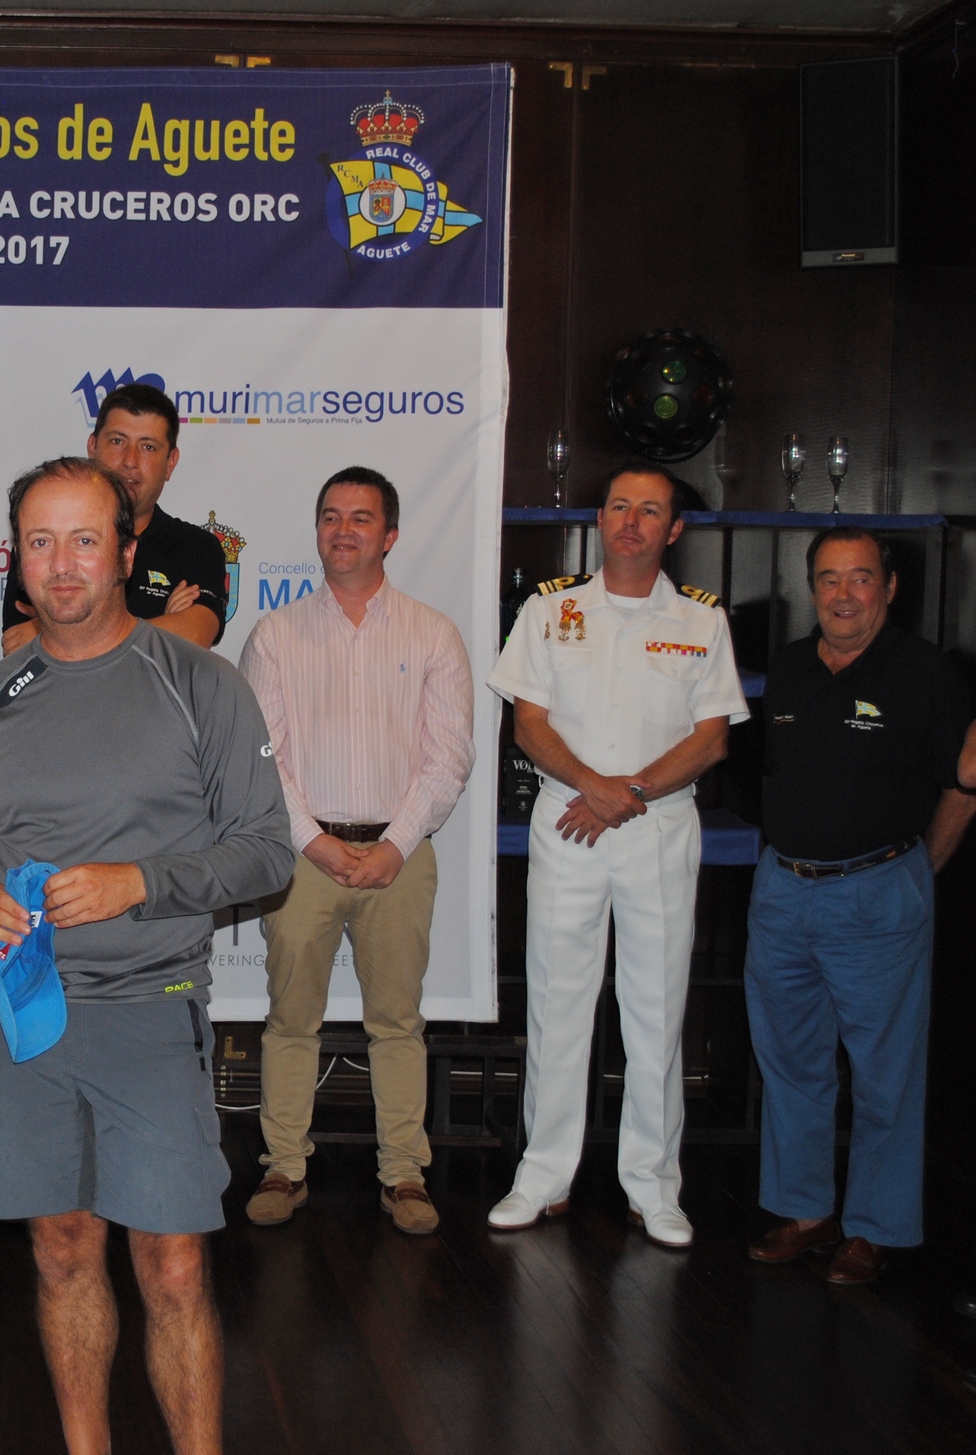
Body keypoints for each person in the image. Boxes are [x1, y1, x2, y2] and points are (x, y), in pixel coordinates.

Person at [0, 456, 294, 1455]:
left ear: (126, 554)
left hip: (152, 1005)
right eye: (40, 542)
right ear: (15, 557)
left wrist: (139, 881)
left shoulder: (199, 683)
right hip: (24, 1013)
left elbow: (267, 852)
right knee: (60, 1251)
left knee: (174, 1265)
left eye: (84, 540)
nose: (61, 564)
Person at [485, 463, 749, 1247]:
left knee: (657, 1009)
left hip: (655, 828)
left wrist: (625, 792)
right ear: (599, 519)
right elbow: (528, 724)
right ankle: (543, 1173)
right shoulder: (551, 608)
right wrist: (592, 786)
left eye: (650, 510)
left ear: (675, 529)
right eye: (619, 506)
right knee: (556, 1003)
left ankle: (653, 1184)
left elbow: (712, 738)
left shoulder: (702, 619)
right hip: (569, 820)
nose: (631, 521)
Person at [237, 467, 474, 1234]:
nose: (344, 530)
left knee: (397, 1023)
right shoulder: (275, 634)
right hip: (301, 856)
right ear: (317, 531)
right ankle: (283, 1165)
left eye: (361, 518)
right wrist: (312, 840)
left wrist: (396, 844)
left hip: (399, 856)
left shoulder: (433, 632)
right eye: (331, 516)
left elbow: (449, 757)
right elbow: (262, 755)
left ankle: (404, 1174)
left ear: (390, 535)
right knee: (290, 1019)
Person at [743, 529, 975, 1284]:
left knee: (885, 1074)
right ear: (812, 586)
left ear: (890, 587)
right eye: (829, 578)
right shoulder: (787, 666)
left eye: (861, 578)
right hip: (782, 892)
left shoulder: (926, 672)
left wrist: (912, 875)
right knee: (790, 1061)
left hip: (878, 893)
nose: (844, 594)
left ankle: (875, 1227)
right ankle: (805, 1210)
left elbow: (963, 785)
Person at [1, 383, 226, 654]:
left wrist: (61, 635)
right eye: (118, 441)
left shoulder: (195, 547)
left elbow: (196, 634)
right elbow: (17, 645)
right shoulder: (46, 541)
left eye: (148, 447)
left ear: (170, 462)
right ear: (93, 447)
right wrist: (163, 630)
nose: (130, 460)